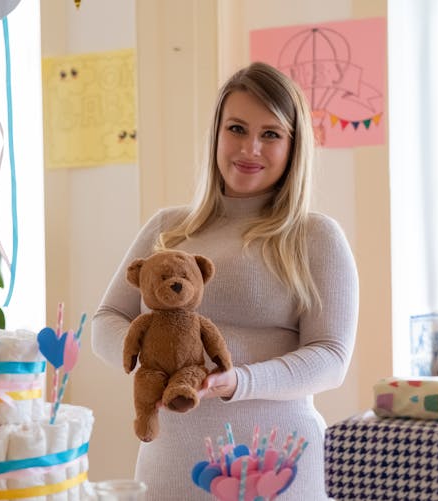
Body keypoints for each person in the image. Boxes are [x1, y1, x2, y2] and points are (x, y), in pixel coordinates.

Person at [92, 61, 359, 500]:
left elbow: (331, 357)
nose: (250, 148)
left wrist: (239, 381)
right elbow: (106, 319)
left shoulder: (315, 236)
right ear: (217, 134)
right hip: (168, 471)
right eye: (237, 128)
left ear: (293, 147)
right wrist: (155, 362)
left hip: (279, 472)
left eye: (271, 134)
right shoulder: (168, 228)